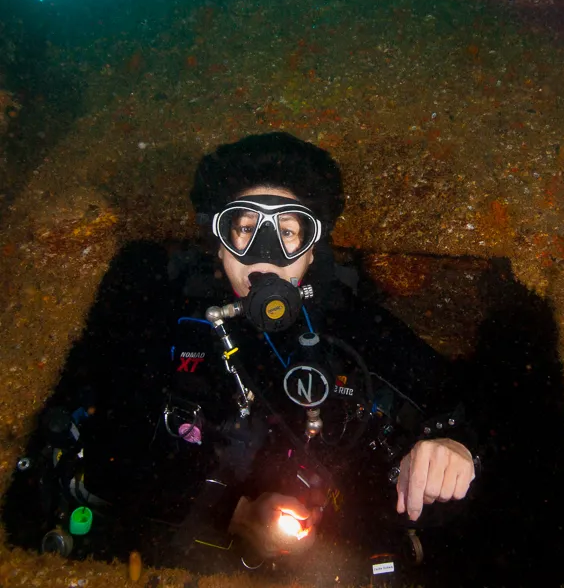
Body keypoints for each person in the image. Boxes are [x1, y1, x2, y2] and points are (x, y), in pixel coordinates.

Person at [4, 132, 479, 584]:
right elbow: (113, 449)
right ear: (219, 242)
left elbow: (462, 395)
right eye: (246, 228)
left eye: (289, 231)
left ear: (313, 250)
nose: (265, 256)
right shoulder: (169, 322)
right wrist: (230, 512)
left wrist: (454, 443)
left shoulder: (351, 325)